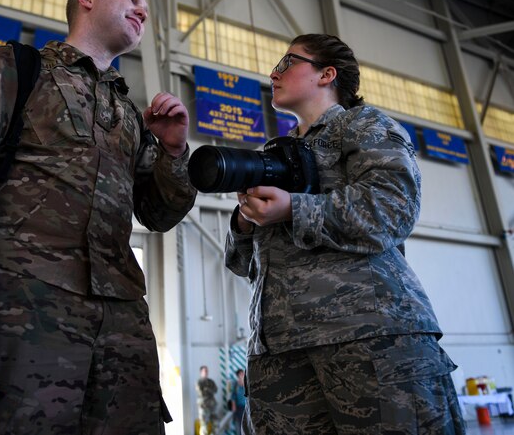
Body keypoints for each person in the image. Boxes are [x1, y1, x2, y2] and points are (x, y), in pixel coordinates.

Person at [0, 0, 196, 434]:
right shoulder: (14, 70)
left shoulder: (129, 116)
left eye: (145, 5)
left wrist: (175, 154)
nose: (143, 10)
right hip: (22, 313)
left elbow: (158, 215)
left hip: (122, 328)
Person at [224, 33, 465, 434]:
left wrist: (292, 207)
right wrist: (246, 222)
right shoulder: (274, 154)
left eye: (286, 63)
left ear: (326, 74)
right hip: (280, 349)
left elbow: (391, 209)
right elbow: (240, 263)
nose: (273, 73)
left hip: (369, 337)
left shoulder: (363, 125)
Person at [196, 365, 218, 435]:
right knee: (204, 426)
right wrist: (209, 390)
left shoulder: (211, 381)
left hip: (212, 406)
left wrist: (207, 389)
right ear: (201, 372)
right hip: (203, 406)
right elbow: (201, 392)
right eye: (205, 371)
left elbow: (215, 390)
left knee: (215, 425)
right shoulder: (199, 382)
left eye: (207, 371)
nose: (206, 372)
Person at [228, 368, 246, 435]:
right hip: (239, 408)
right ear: (238, 375)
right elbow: (233, 397)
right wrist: (233, 407)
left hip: (247, 408)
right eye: (241, 374)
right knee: (239, 426)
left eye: (243, 373)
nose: (243, 375)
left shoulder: (247, 384)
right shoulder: (236, 385)